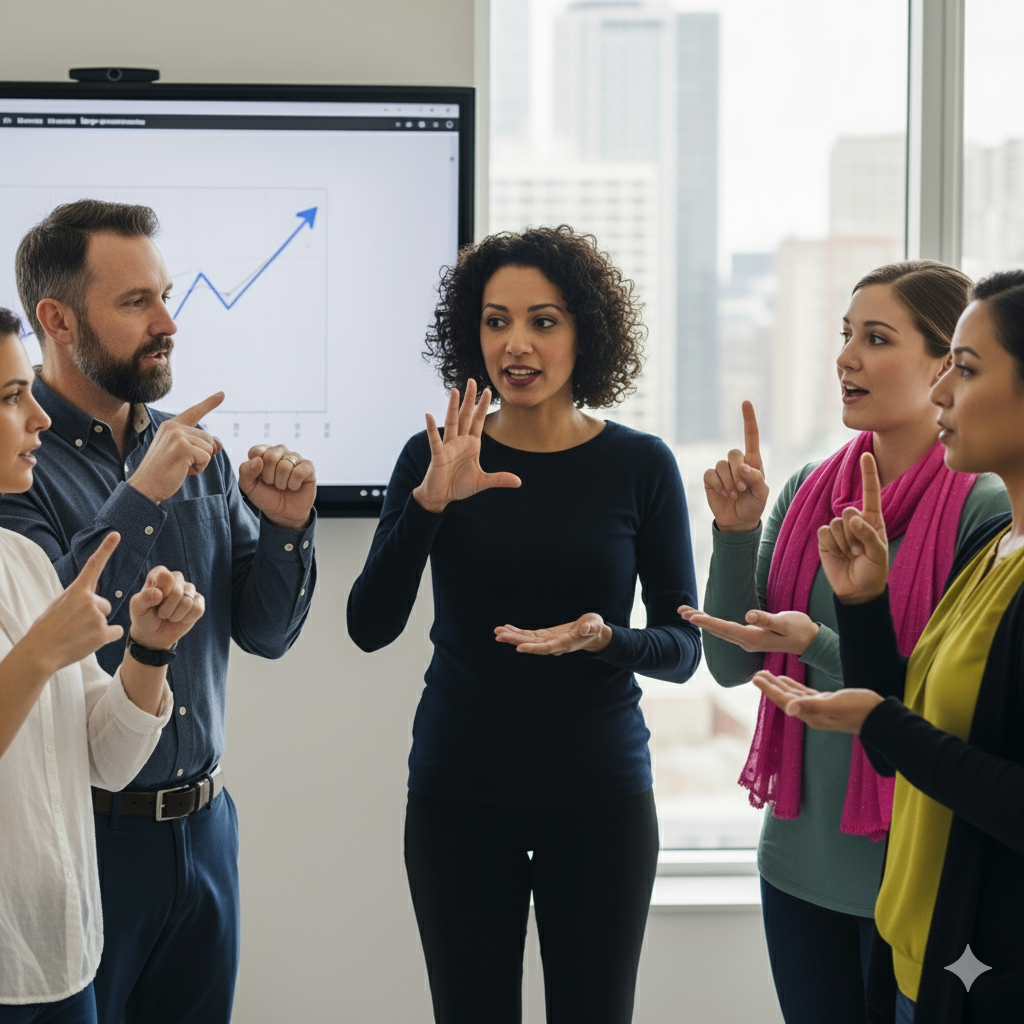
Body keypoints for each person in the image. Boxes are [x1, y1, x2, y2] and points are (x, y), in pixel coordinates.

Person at [347, 225, 701, 1024]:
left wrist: (605, 637)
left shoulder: (641, 466)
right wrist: (431, 504)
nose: (517, 343)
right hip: (459, 799)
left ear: (585, 333)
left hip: (600, 800)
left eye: (544, 320)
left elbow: (685, 652)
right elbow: (369, 624)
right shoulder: (433, 457)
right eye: (496, 320)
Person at [2, 200, 318, 1024]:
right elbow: (59, 626)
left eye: (166, 295)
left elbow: (266, 634)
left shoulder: (190, 447)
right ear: (57, 319)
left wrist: (286, 528)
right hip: (88, 841)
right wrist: (143, 494)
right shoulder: (13, 463)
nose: (168, 322)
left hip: (206, 832)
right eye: (136, 302)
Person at [679, 261, 1009, 1024]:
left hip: (912, 867)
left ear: (942, 364)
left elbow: (930, 699)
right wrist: (734, 534)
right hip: (795, 861)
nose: (846, 357)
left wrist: (820, 641)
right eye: (844, 336)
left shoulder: (983, 504)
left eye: (876, 338)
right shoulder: (805, 491)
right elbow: (732, 666)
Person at [0, 308, 207, 1023]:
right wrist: (38, 655)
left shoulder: (23, 560)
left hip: (63, 953)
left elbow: (105, 758)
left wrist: (149, 649)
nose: (39, 418)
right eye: (8, 398)